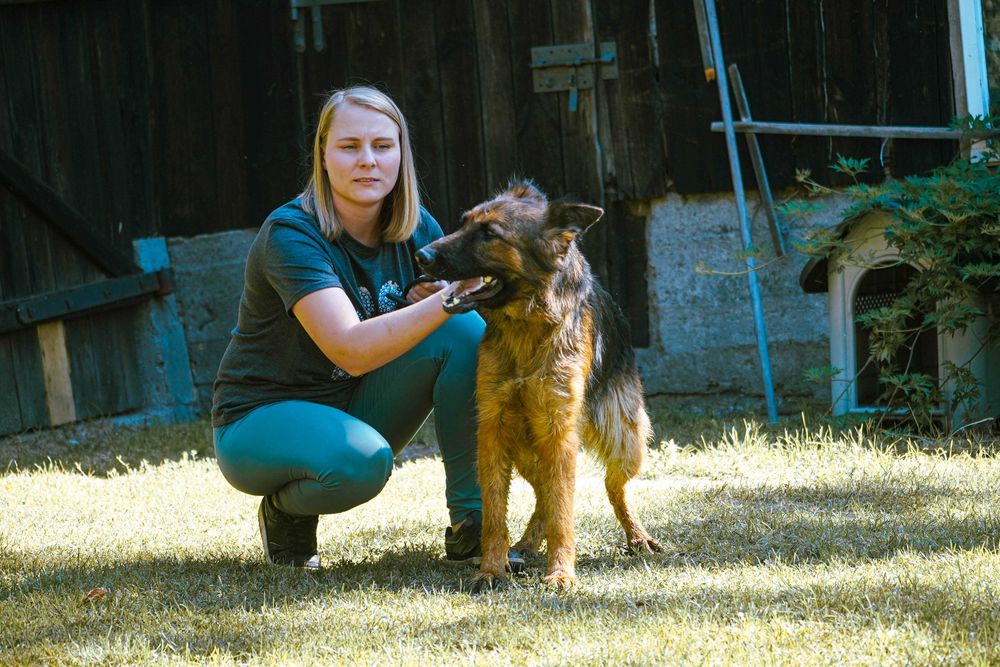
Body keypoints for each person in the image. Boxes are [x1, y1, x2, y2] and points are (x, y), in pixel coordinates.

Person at [212, 85, 514, 571]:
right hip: (260, 417)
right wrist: (448, 298)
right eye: (349, 146)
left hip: (356, 402)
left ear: (401, 155)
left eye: (382, 145)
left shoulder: (417, 228)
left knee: (466, 334)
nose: (368, 161)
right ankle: (285, 511)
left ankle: (474, 525)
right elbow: (349, 350)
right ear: (323, 155)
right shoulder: (292, 234)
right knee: (362, 464)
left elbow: (459, 315)